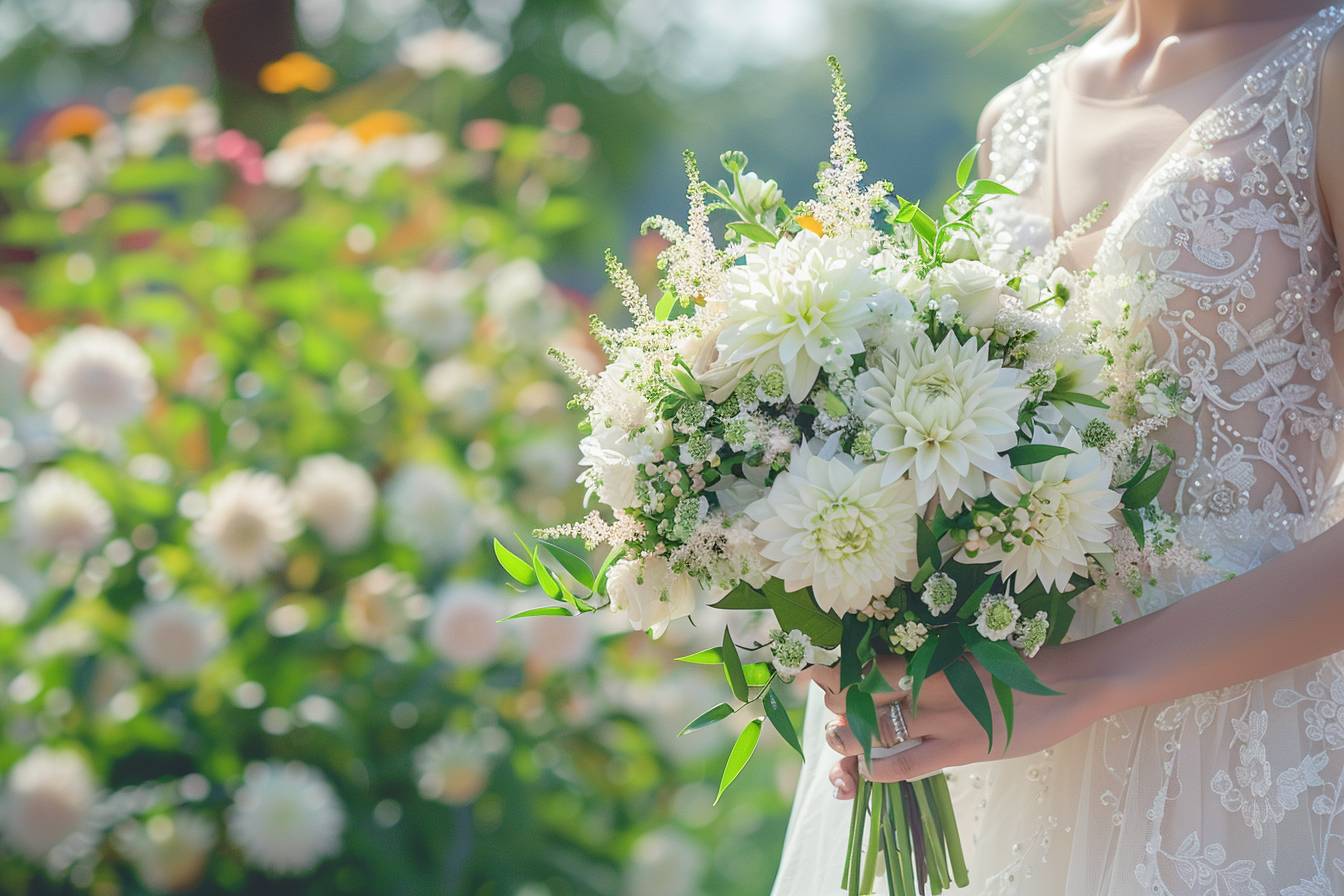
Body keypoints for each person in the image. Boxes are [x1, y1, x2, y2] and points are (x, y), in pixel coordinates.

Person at [772, 2, 1344, 893]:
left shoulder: (1328, 68)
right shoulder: (1020, 113)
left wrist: (1074, 684)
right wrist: (866, 622)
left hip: (1240, 751)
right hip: (994, 734)